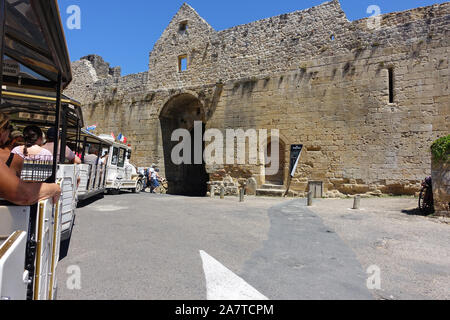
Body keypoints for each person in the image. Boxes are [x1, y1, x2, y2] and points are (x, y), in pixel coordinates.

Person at [0, 113, 60, 205]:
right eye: (9, 129)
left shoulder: (16, 150)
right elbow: (25, 194)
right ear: (3, 131)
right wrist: (55, 188)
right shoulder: (13, 159)